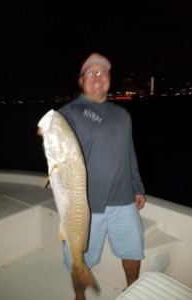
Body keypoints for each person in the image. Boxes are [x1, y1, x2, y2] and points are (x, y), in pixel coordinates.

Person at [58, 53, 146, 300]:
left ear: (109, 78)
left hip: (124, 199)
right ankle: (80, 296)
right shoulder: (70, 112)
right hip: (83, 206)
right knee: (79, 257)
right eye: (90, 72)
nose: (97, 77)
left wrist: (137, 186)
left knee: (133, 249)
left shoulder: (123, 115)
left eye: (102, 72)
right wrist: (48, 132)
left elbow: (129, 154)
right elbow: (52, 135)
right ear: (80, 81)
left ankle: (133, 289)